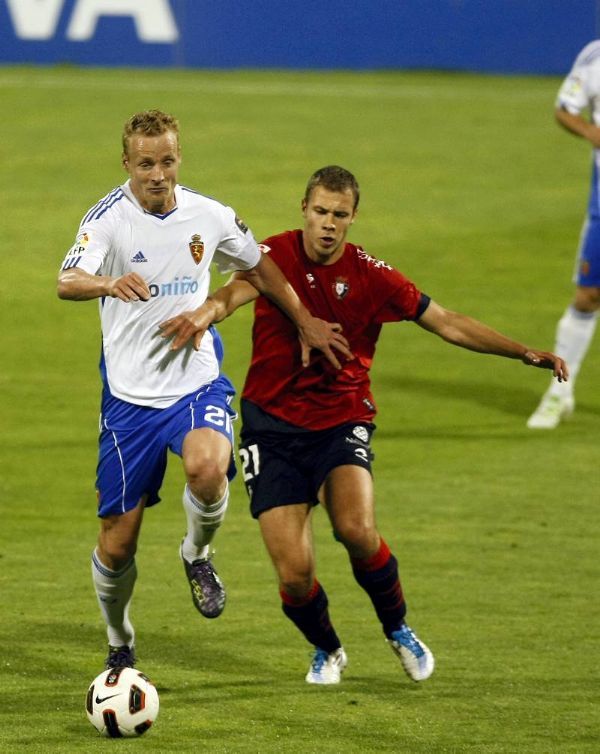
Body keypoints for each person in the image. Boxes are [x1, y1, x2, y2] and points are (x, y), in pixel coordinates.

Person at [166, 165, 568, 685]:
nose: (328, 224)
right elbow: (232, 294)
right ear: (303, 210)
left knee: (355, 528)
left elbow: (445, 321)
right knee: (294, 574)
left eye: (339, 214)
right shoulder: (271, 257)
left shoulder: (372, 276)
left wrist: (522, 353)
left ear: (353, 217)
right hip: (272, 429)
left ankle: (397, 628)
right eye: (320, 212)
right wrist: (205, 314)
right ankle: (327, 648)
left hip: (341, 420)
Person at [56, 111, 350, 670]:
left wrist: (305, 319)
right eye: (146, 163)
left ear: (178, 158)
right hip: (129, 399)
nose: (158, 174)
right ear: (127, 164)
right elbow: (67, 280)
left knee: (209, 467)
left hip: (194, 382)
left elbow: (260, 267)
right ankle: (120, 640)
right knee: (117, 544)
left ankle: (197, 552)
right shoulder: (107, 221)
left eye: (167, 161)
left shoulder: (208, 216)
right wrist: (107, 282)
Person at [528, 40, 600, 429]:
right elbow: (565, 109)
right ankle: (558, 393)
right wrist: (593, 132)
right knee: (588, 295)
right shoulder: (595, 57)